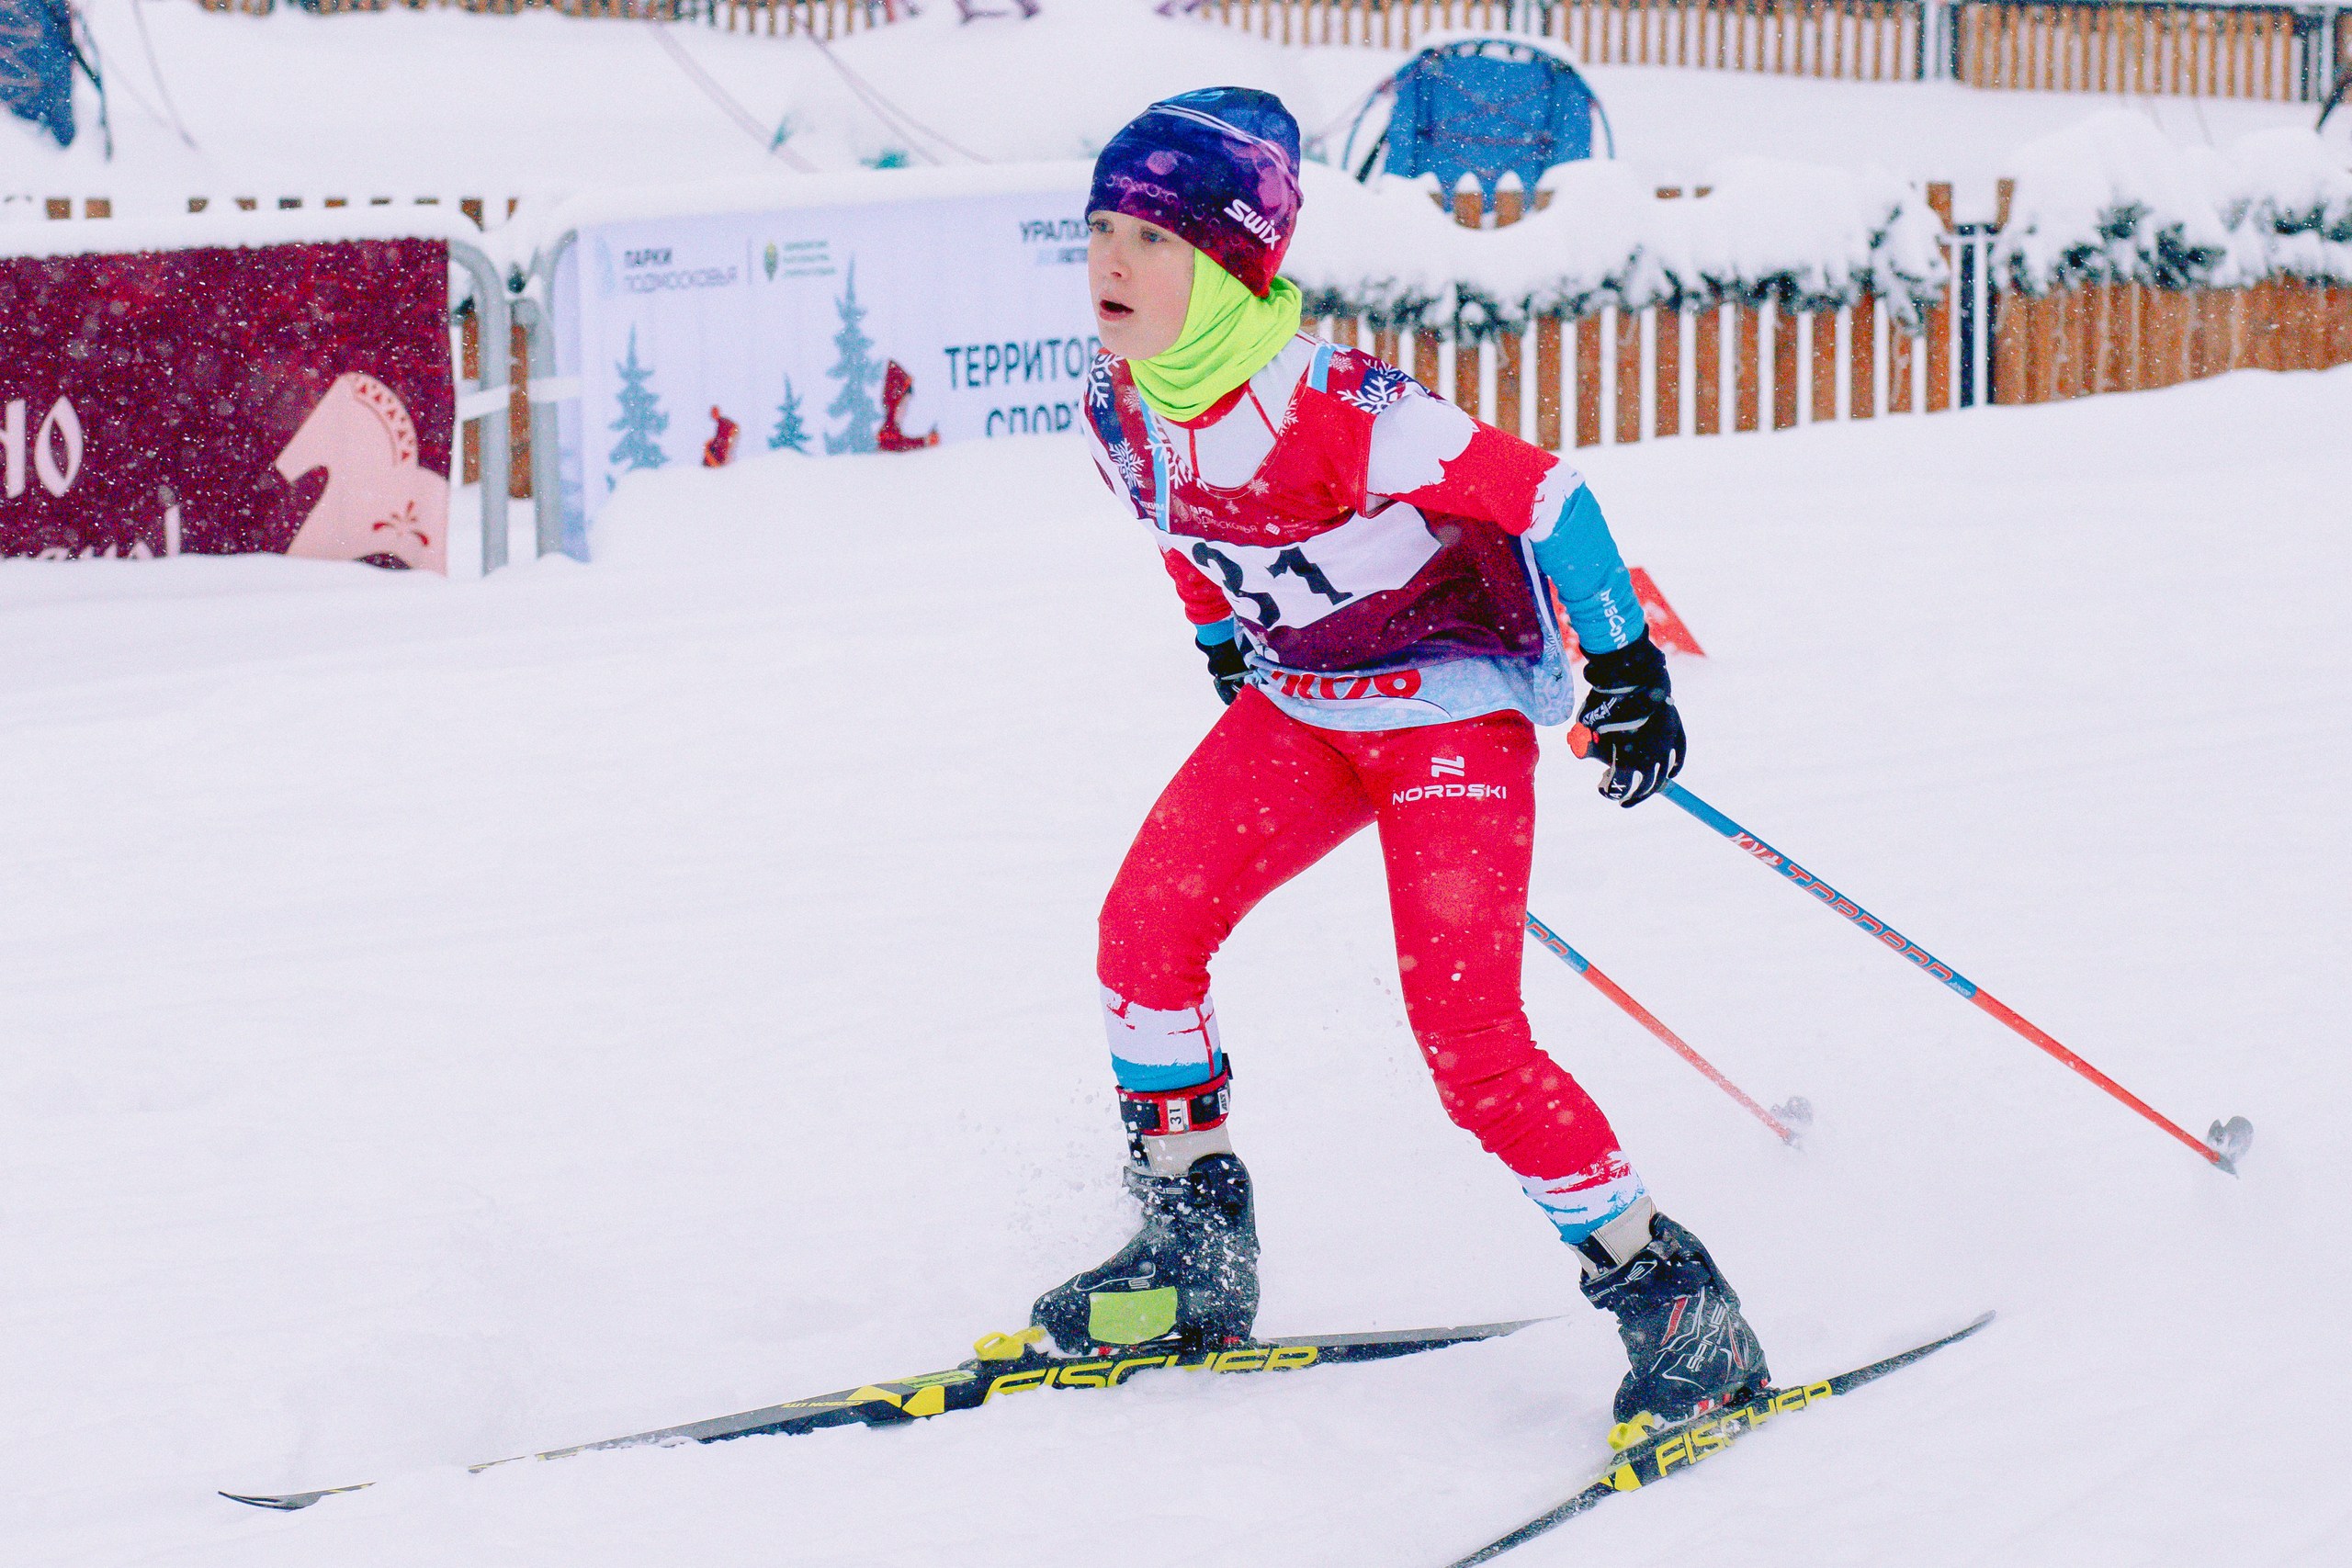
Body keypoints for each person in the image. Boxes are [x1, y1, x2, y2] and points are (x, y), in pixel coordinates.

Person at [1032, 87, 1769, 1434]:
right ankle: (1196, 1254)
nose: (1110, 266)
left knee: (1470, 1044)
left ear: (1232, 261)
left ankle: (1677, 1304)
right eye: (1098, 230)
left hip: (1443, 716)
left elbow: (1552, 497)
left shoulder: (1339, 405)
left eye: (1150, 237)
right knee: (1142, 939)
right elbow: (1180, 527)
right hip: (1309, 711)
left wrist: (1625, 670)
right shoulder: (1111, 402)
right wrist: (1221, 641)